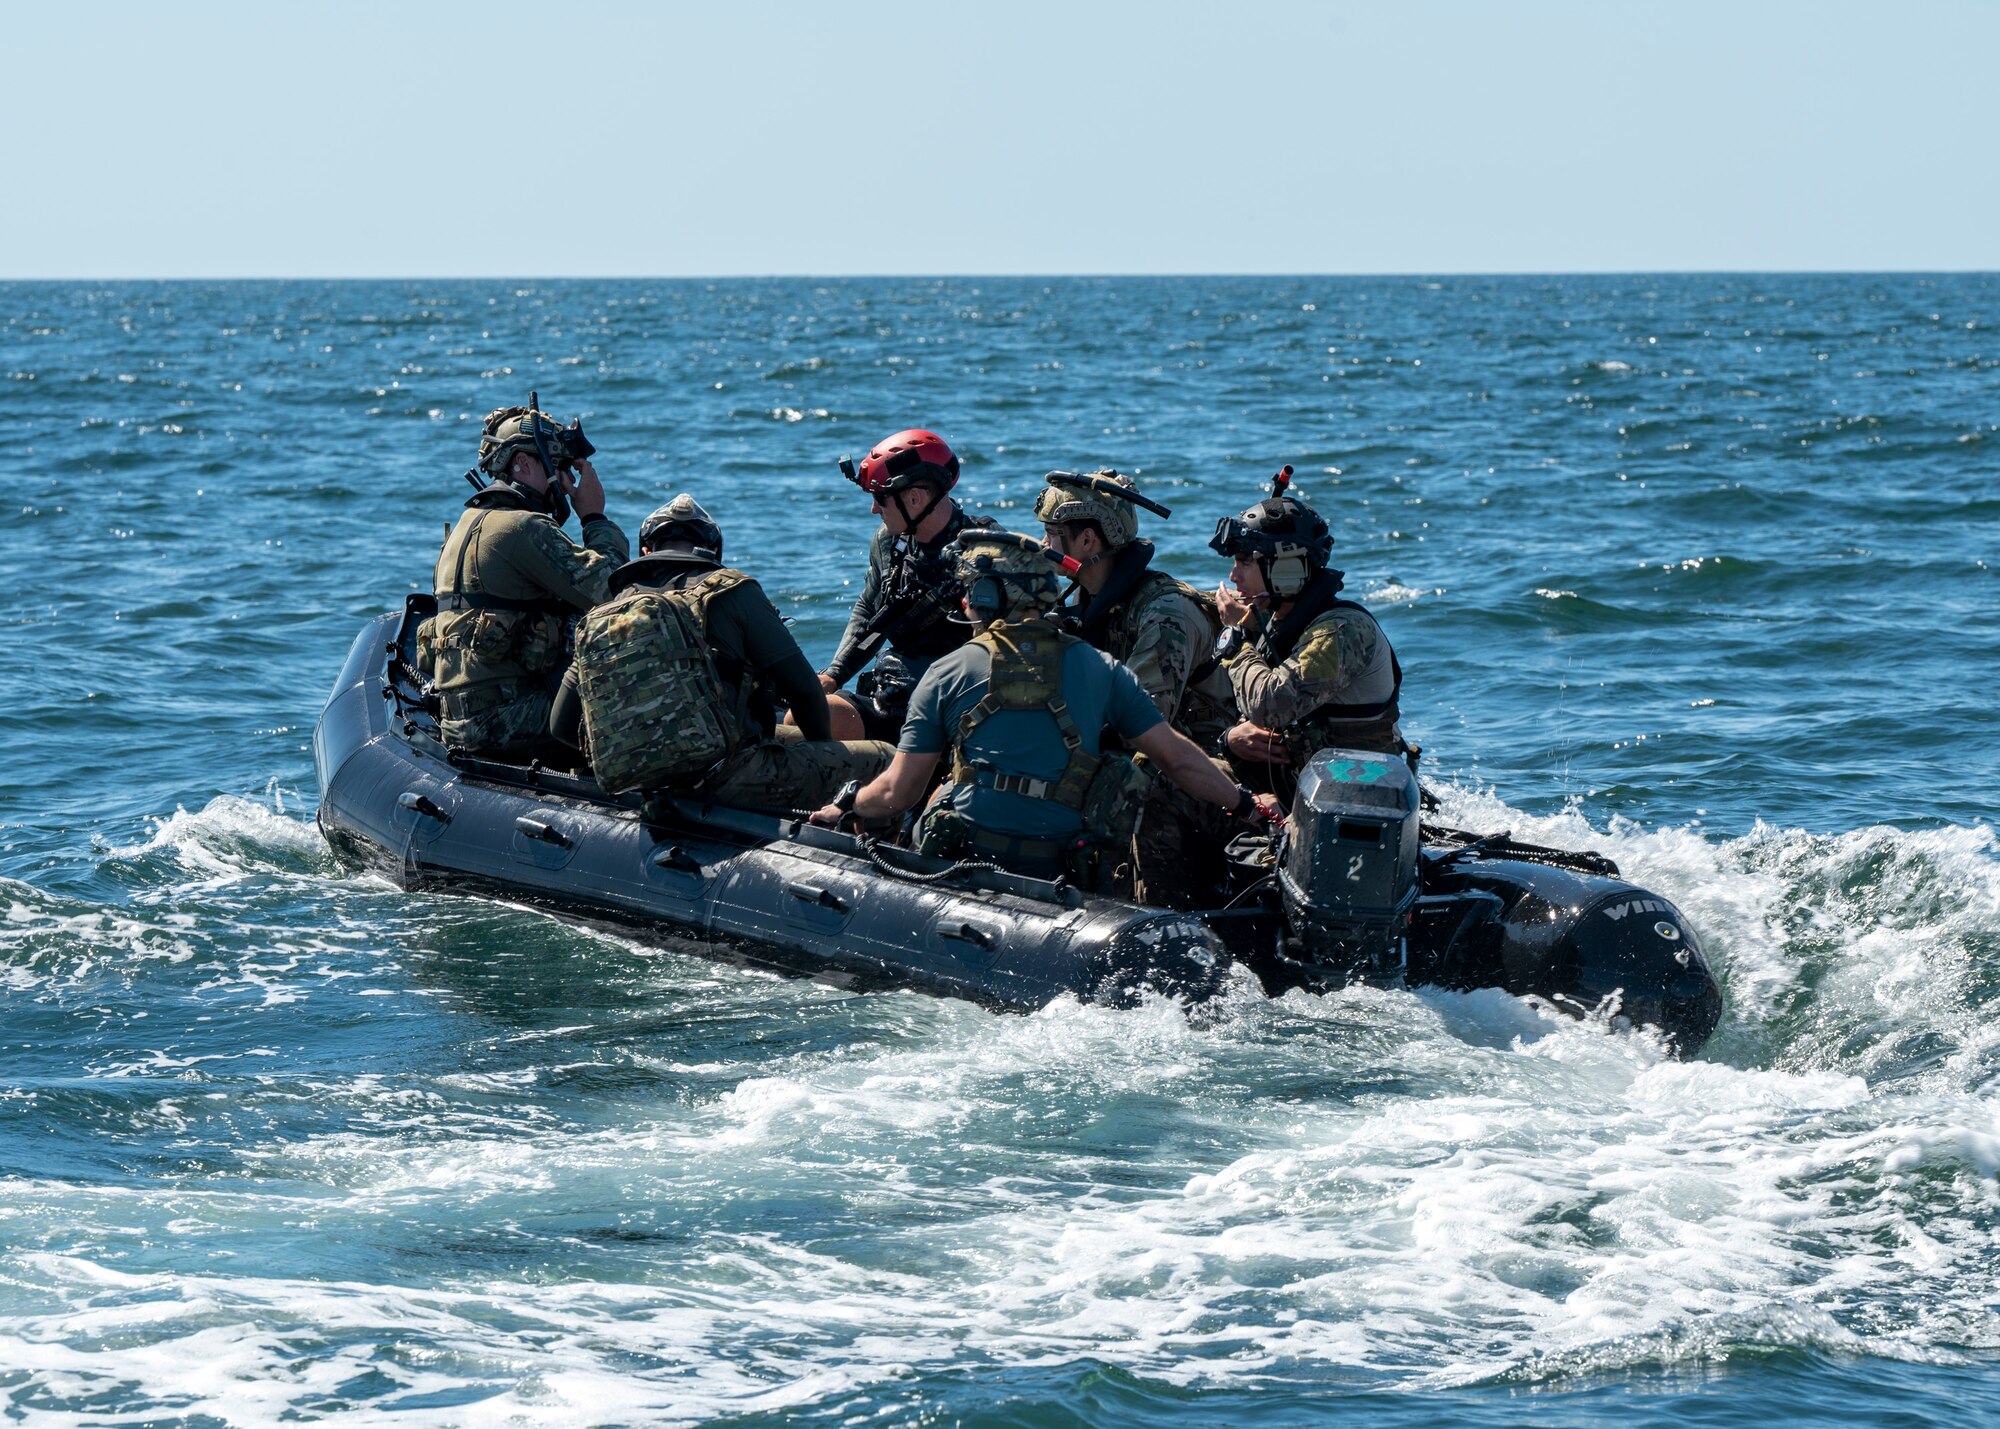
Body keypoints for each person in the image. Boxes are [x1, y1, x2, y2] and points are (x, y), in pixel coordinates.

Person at [808, 531, 1279, 883]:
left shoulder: (947, 671)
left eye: (971, 590)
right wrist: (1245, 805)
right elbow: (1176, 757)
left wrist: (848, 804)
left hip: (966, 853)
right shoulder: (1103, 668)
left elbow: (897, 792)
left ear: (989, 597)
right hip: (1065, 860)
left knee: (937, 793)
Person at [550, 496, 893, 812]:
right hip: (728, 774)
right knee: (887, 760)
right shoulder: (732, 590)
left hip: (641, 779)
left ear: (645, 550)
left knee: (793, 739)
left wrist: (638, 758)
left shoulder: (606, 612)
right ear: (713, 549)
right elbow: (804, 691)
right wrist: (823, 751)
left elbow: (562, 725)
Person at [1036, 468, 1241, 906]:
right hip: (1155, 752)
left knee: (1129, 774)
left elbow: (1142, 724)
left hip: (1204, 767)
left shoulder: (1165, 614)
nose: (1042, 547)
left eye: (1052, 535)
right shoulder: (1084, 602)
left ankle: (1153, 908)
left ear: (1087, 542)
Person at [420, 400, 628, 759]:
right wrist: (594, 518)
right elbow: (614, 593)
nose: (566, 484)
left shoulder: (466, 524)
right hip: (506, 718)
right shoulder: (524, 528)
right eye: (560, 468)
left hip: (462, 719)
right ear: (523, 464)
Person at [1210, 491, 1404, 805]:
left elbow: (1269, 705)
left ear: (1286, 567)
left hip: (1353, 801)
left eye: (1245, 562)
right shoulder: (1277, 621)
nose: (1233, 576)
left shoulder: (1341, 631)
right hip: (1300, 792)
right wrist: (1230, 740)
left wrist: (1238, 639)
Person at [818, 428, 994, 741]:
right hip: (897, 696)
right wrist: (834, 674)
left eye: (880, 499)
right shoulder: (888, 542)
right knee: (810, 714)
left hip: (957, 713)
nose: (874, 510)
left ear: (915, 498)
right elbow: (871, 609)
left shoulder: (987, 553)